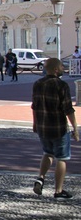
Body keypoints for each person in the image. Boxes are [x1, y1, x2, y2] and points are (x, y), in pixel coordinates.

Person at [31, 58, 79, 199]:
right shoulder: (61, 85)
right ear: (56, 69)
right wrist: (75, 129)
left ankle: (40, 177)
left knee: (47, 153)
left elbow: (34, 106)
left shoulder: (37, 84)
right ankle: (58, 190)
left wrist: (35, 123)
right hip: (58, 127)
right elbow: (68, 109)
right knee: (62, 158)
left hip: (42, 127)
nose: (64, 69)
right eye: (61, 67)